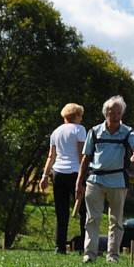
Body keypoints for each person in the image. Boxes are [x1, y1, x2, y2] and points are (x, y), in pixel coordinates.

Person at [76, 95, 134, 263]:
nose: (115, 116)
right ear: (106, 113)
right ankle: (89, 255)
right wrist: (79, 182)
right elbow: (86, 158)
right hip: (95, 180)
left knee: (116, 221)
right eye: (112, 112)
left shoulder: (128, 132)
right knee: (92, 219)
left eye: (119, 113)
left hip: (118, 181)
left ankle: (112, 256)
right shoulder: (94, 131)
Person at [39, 103, 87, 254]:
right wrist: (84, 174)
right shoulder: (80, 130)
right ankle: (84, 246)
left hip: (58, 173)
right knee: (85, 211)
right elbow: (81, 154)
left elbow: (51, 156)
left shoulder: (56, 132)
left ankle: (60, 246)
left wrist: (44, 175)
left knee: (61, 212)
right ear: (77, 116)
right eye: (81, 116)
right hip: (75, 173)